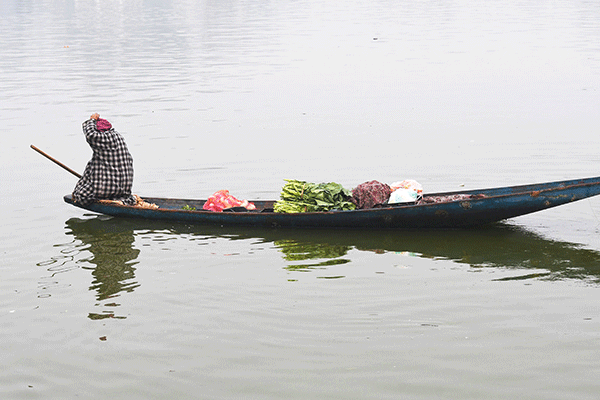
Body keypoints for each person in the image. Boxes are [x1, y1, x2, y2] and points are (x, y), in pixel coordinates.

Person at [72, 113, 136, 205]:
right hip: (124, 190)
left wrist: (91, 120)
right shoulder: (118, 136)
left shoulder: (102, 138)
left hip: (108, 189)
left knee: (80, 195)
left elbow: (90, 134)